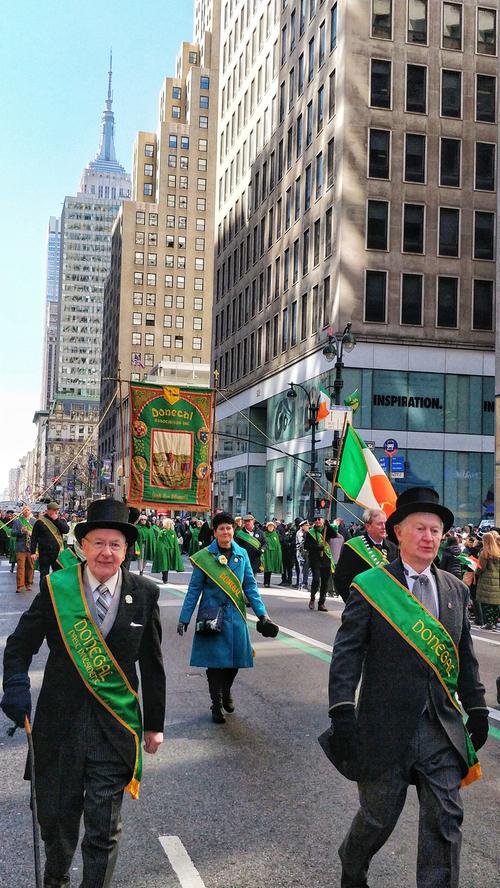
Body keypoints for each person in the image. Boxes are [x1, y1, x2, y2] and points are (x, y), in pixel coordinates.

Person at [323, 487, 488, 888]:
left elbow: (463, 656)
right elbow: (347, 654)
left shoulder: (454, 589)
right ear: (398, 532)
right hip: (385, 726)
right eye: (421, 528)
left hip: (441, 729)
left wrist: (477, 706)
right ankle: (352, 861)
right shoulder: (370, 586)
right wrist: (342, 710)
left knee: (445, 821)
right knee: (377, 818)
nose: (430, 537)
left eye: (436, 530)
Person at [1, 498, 166, 888]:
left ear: (126, 550)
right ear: (83, 546)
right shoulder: (58, 588)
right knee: (57, 821)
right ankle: (56, 878)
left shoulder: (144, 593)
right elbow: (19, 645)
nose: (107, 552)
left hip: (114, 728)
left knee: (104, 829)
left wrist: (154, 724)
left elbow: (153, 664)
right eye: (98, 543)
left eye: (116, 545)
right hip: (59, 726)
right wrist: (15, 686)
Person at [177, 512, 277, 723]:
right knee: (214, 664)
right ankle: (216, 704)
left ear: (234, 530)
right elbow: (194, 589)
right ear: (214, 532)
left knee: (236, 661)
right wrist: (184, 617)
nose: (225, 532)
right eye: (221, 528)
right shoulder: (205, 557)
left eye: (229, 528)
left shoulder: (242, 555)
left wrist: (263, 615)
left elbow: (250, 586)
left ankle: (226, 690)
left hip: (235, 615)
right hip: (211, 616)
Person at [333, 508, 398, 603]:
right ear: (368, 526)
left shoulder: (393, 548)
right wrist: (351, 602)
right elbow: (340, 578)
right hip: (361, 604)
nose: (384, 527)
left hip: (387, 607)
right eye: (379, 524)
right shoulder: (353, 547)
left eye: (385, 523)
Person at [303, 515, 338, 611]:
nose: (318, 521)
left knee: (325, 583)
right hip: (315, 560)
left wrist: (329, 525)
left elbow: (335, 535)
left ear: (323, 521)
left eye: (319, 519)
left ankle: (321, 603)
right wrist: (318, 547)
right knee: (316, 580)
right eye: (316, 520)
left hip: (326, 559)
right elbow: (306, 546)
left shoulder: (326, 530)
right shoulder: (311, 533)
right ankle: (312, 598)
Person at [29, 502, 70, 583]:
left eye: (57, 510)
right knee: (44, 574)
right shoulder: (40, 522)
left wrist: (56, 520)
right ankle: (43, 593)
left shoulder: (60, 520)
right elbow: (34, 537)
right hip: (44, 552)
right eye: (54, 510)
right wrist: (33, 552)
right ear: (48, 510)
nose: (56, 512)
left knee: (58, 573)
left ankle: (56, 592)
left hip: (57, 552)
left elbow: (66, 530)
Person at [475, 531, 500, 631]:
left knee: (486, 603)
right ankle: (494, 622)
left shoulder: (485, 553)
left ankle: (488, 623)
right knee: (495, 603)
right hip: (497, 580)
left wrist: (476, 570)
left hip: (486, 581)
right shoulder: (498, 552)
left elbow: (481, 568)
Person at [152, 517, 184, 584]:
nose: (172, 525)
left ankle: (165, 578)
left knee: (168, 564)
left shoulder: (173, 532)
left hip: (171, 550)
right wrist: (163, 549)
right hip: (164, 551)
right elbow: (159, 542)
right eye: (171, 524)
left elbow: (174, 541)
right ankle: (165, 578)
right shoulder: (162, 532)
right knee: (165, 564)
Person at [11, 506, 35, 592]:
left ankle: (28, 584)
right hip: (20, 547)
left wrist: (32, 533)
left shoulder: (34, 521)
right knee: (20, 567)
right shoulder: (17, 521)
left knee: (30, 566)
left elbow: (38, 535)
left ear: (30, 511)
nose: (26, 511)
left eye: (28, 510)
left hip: (31, 547)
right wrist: (21, 531)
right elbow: (12, 533)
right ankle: (20, 586)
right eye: (24, 510)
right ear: (22, 511)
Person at [262, 520, 283, 587]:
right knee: (267, 567)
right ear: (267, 527)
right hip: (266, 553)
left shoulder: (275, 534)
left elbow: (277, 544)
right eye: (269, 526)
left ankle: (268, 582)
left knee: (270, 568)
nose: (271, 528)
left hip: (273, 553)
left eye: (272, 526)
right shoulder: (264, 534)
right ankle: (265, 581)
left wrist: (278, 553)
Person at [296, 519, 310, 590]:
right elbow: (302, 542)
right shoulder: (300, 533)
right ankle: (302, 585)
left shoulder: (306, 532)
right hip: (302, 553)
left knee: (306, 569)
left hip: (306, 552)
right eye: (307, 525)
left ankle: (304, 583)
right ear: (302, 526)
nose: (308, 527)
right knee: (303, 569)